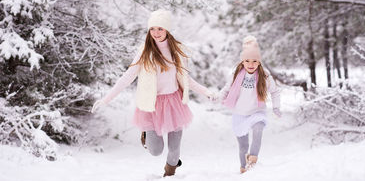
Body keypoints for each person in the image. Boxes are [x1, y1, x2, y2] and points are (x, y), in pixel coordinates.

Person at [91, 9, 213, 177]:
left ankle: (169, 173)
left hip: (173, 103)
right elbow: (128, 77)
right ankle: (146, 134)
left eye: (160, 29)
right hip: (151, 105)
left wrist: (205, 91)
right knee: (156, 150)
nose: (156, 33)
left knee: (174, 149)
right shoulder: (145, 51)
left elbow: (186, 79)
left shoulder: (177, 50)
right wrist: (106, 99)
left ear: (167, 30)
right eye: (153, 29)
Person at [218, 35, 281, 174]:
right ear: (242, 61)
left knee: (258, 130)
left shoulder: (265, 76)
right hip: (239, 114)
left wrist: (276, 106)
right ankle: (243, 169)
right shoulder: (236, 74)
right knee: (243, 146)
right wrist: (218, 98)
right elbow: (226, 89)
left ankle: (252, 161)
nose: (251, 64)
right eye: (247, 61)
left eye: (254, 61)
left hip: (257, 112)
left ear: (259, 62)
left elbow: (275, 92)